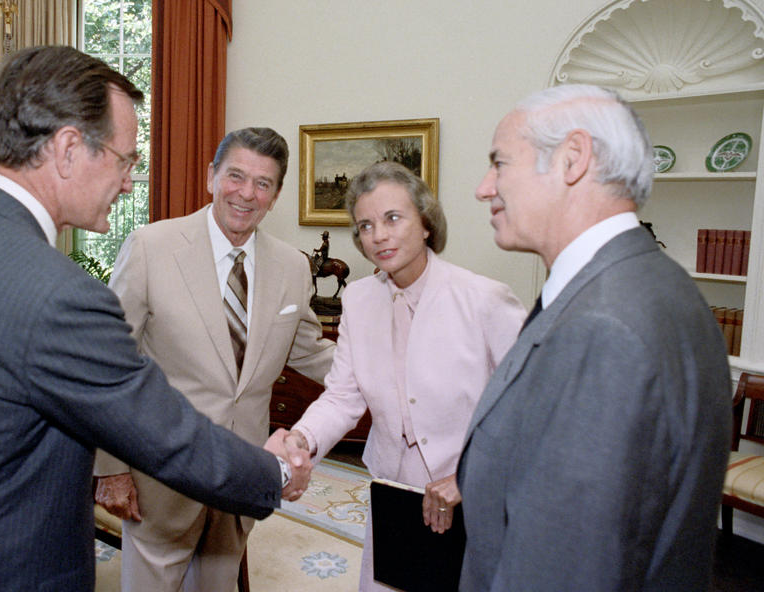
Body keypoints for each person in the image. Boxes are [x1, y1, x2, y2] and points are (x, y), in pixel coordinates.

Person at [0, 46, 308, 592]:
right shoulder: (59, 295)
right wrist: (277, 472)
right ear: (71, 149)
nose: (126, 183)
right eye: (125, 161)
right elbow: (167, 434)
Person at [457, 84, 731, 590]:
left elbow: (564, 567)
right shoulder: (657, 286)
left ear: (572, 158)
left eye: (500, 163)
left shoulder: (601, 329)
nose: (484, 187)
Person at [93, 127, 336, 591]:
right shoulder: (150, 247)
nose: (247, 194)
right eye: (235, 176)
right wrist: (111, 468)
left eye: (263, 184)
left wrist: (385, 371)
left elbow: (308, 349)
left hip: (242, 471)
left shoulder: (291, 265)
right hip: (160, 474)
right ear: (211, 177)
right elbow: (109, 361)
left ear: (276, 194)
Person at [285, 161, 525, 591]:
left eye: (392, 218)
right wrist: (301, 440)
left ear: (427, 222)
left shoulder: (484, 300)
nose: (378, 234)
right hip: (392, 487)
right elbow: (342, 397)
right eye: (365, 225)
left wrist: (468, 478)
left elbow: (531, 410)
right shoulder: (358, 300)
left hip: (471, 494)